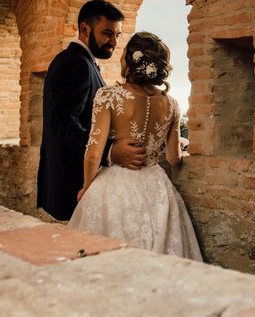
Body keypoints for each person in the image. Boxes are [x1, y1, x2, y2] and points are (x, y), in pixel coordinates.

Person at [68, 32, 202, 260]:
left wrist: (85, 187)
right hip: (157, 186)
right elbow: (173, 158)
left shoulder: (108, 96)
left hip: (115, 184)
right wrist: (173, 143)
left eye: (123, 54)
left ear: (131, 60)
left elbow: (93, 152)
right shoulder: (171, 103)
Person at [37, 0, 146, 222]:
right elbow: (64, 124)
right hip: (72, 184)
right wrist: (110, 150)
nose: (113, 42)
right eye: (107, 33)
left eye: (117, 35)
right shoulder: (75, 64)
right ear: (85, 29)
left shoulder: (81, 61)